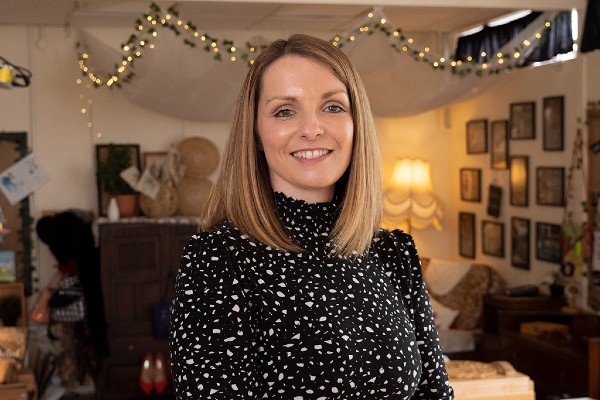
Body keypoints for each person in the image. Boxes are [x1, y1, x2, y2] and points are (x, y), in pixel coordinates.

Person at [170, 33, 454, 399]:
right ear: (255, 132)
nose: (311, 129)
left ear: (356, 123)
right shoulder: (219, 259)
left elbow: (434, 393)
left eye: (333, 107)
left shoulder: (394, 254)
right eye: (284, 111)